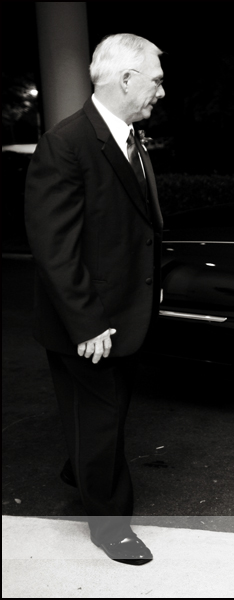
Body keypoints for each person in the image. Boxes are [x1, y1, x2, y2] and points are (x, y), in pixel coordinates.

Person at [23, 33, 165, 566]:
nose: (161, 91)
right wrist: (87, 324)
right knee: (103, 420)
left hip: (125, 314)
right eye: (155, 79)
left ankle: (81, 467)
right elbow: (54, 247)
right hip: (90, 324)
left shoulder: (130, 138)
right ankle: (111, 527)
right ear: (125, 79)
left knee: (107, 415)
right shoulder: (67, 143)